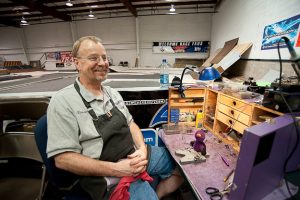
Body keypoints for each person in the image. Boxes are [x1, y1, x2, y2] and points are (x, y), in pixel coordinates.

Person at [46, 36, 183, 200]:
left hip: (135, 156)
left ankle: (156, 194)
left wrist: (141, 150)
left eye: (104, 57)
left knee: (182, 165)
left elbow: (131, 124)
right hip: (106, 173)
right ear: (77, 63)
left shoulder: (112, 93)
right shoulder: (63, 101)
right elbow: (63, 160)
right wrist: (119, 169)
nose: (102, 63)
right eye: (93, 58)